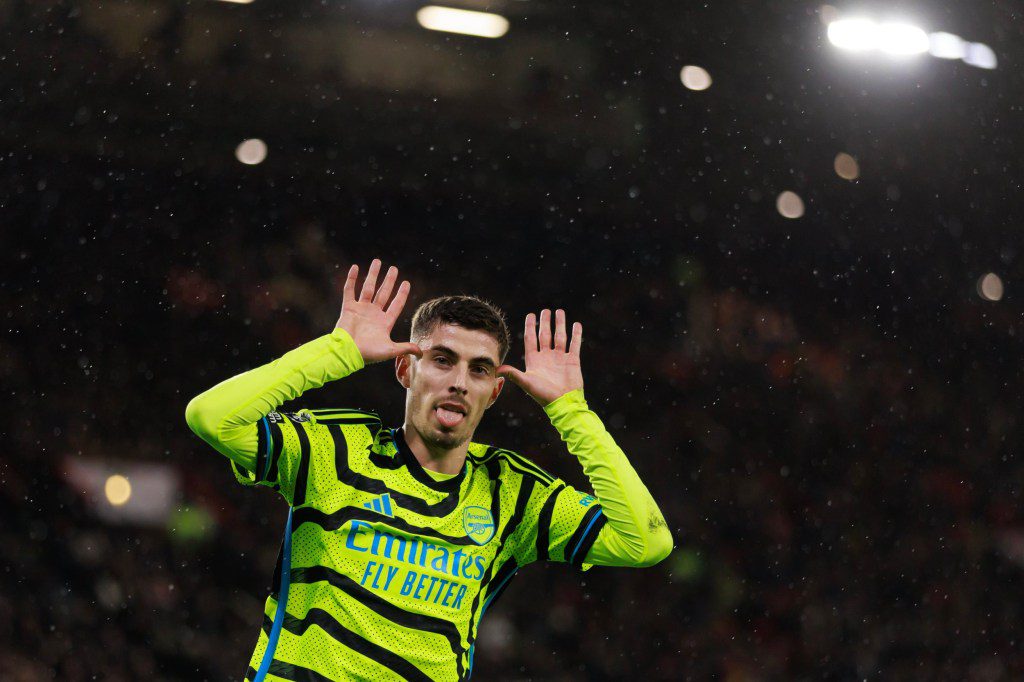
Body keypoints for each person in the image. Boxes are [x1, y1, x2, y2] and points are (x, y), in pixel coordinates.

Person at [185, 259, 673, 681]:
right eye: (442, 360)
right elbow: (212, 417)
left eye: (479, 370)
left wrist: (571, 413)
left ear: (494, 391)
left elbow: (646, 541)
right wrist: (338, 352)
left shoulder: (515, 494)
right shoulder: (334, 449)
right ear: (405, 369)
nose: (460, 382)